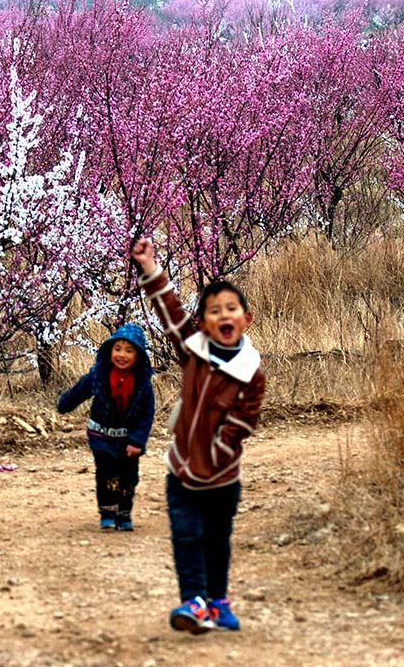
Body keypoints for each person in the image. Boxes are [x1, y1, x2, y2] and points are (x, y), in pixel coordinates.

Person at [131, 237, 266, 634]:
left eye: (231, 309)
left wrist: (214, 455)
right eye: (213, 311)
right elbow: (171, 314)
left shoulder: (251, 373)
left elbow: (243, 423)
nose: (223, 316)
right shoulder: (193, 351)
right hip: (182, 472)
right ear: (205, 323)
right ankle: (195, 602)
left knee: (217, 540)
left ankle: (218, 600)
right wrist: (149, 267)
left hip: (222, 478)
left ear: (246, 318)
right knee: (186, 536)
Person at [58, 323, 155, 532]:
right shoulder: (99, 375)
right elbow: (80, 391)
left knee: (129, 477)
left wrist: (137, 441)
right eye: (117, 349)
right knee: (106, 472)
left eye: (129, 351)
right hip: (101, 435)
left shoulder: (143, 384)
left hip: (128, 439)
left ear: (139, 356)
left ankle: (124, 512)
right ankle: (107, 511)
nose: (122, 355)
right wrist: (64, 404)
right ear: (109, 351)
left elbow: (147, 415)